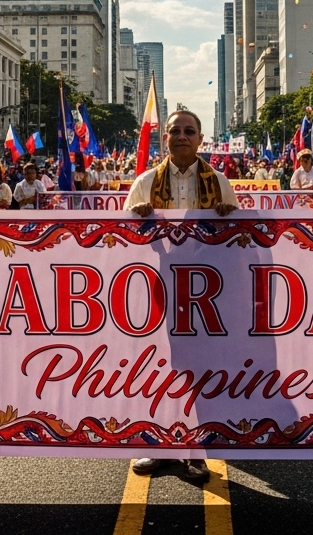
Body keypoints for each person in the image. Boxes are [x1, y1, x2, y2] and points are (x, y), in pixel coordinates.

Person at [124, 109, 238, 484]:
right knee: (156, 367)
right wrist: (137, 217)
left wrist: (227, 215)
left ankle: (196, 450)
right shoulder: (144, 183)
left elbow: (240, 240)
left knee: (200, 370)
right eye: (176, 131)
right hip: (158, 292)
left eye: (190, 131)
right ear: (166, 138)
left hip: (206, 297)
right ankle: (158, 446)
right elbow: (120, 242)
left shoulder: (219, 182)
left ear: (201, 139)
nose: (182, 136)